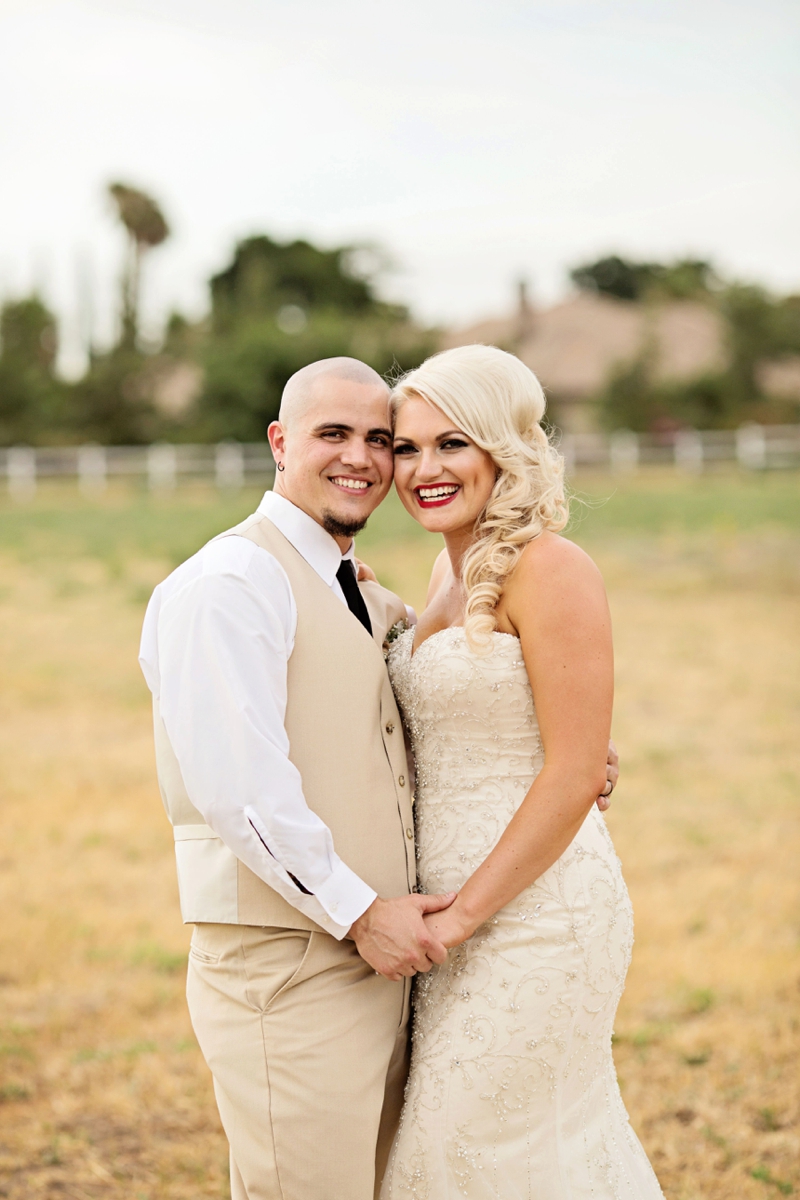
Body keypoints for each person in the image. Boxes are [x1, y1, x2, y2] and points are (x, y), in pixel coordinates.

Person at [138, 356, 618, 1200]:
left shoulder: (371, 586)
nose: (371, 459)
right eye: (336, 435)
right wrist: (365, 914)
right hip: (299, 958)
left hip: (435, 942)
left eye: (381, 439)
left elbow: (455, 684)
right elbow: (238, 791)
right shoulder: (230, 583)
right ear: (280, 442)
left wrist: (564, 755)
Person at [380, 344, 663, 1198]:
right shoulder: (445, 567)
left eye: (451, 444)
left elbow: (575, 773)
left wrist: (463, 918)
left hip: (535, 918)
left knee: (478, 1148)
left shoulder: (551, 567)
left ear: (504, 445)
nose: (423, 469)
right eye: (407, 447)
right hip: (451, 916)